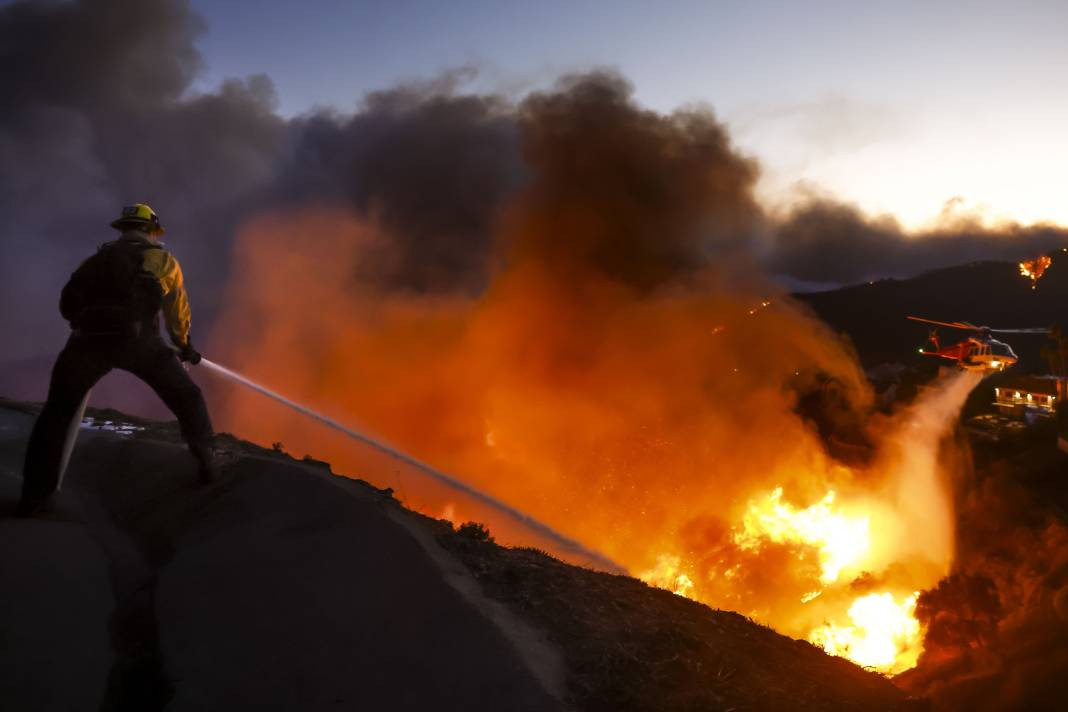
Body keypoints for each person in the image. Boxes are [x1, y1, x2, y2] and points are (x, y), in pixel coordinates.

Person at [18, 203, 216, 516]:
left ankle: (33, 497)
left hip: (83, 344)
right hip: (140, 344)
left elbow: (68, 302)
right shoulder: (161, 259)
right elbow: (176, 310)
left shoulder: (92, 261)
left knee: (56, 416)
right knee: (187, 398)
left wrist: (85, 327)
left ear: (122, 229)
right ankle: (207, 462)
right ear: (152, 231)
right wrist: (183, 345)